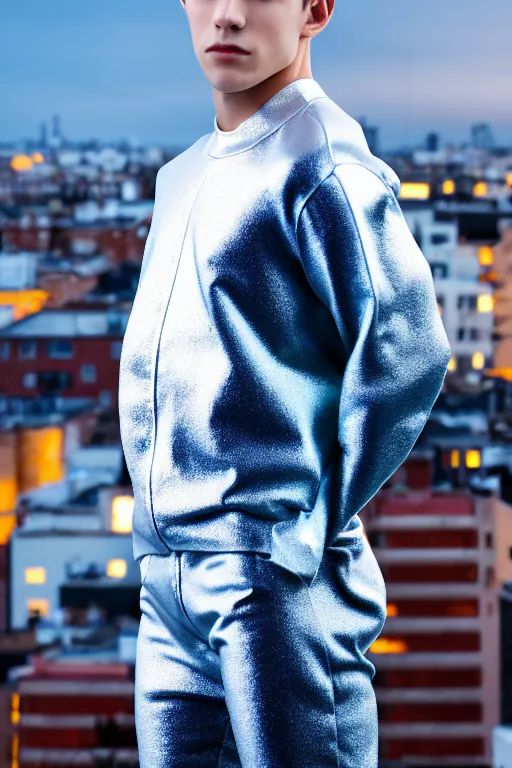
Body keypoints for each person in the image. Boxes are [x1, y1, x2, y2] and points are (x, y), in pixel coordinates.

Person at [117, 0, 452, 763]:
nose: (227, 15)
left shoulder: (320, 160)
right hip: (167, 580)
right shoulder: (183, 175)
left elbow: (409, 353)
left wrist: (309, 525)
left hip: (268, 577)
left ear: (316, 8)